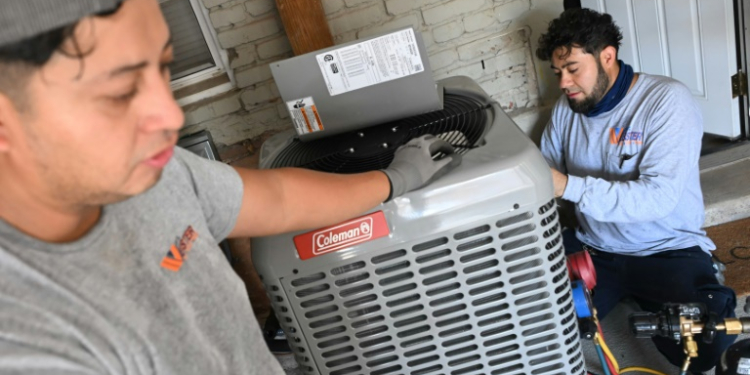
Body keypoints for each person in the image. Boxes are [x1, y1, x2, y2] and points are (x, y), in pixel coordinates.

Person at [0, 0, 460, 373]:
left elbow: (277, 199)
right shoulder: (25, 341)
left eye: (163, 68)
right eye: (120, 93)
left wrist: (396, 179)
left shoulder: (153, 175)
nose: (171, 116)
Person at [536, 7, 737, 373]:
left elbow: (657, 199)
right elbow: (543, 172)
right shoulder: (568, 108)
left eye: (573, 69)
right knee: (536, 326)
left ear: (607, 56)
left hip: (665, 248)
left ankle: (689, 281)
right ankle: (627, 295)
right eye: (558, 73)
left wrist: (567, 186)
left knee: (709, 343)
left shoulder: (666, 102)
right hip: (594, 248)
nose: (563, 83)